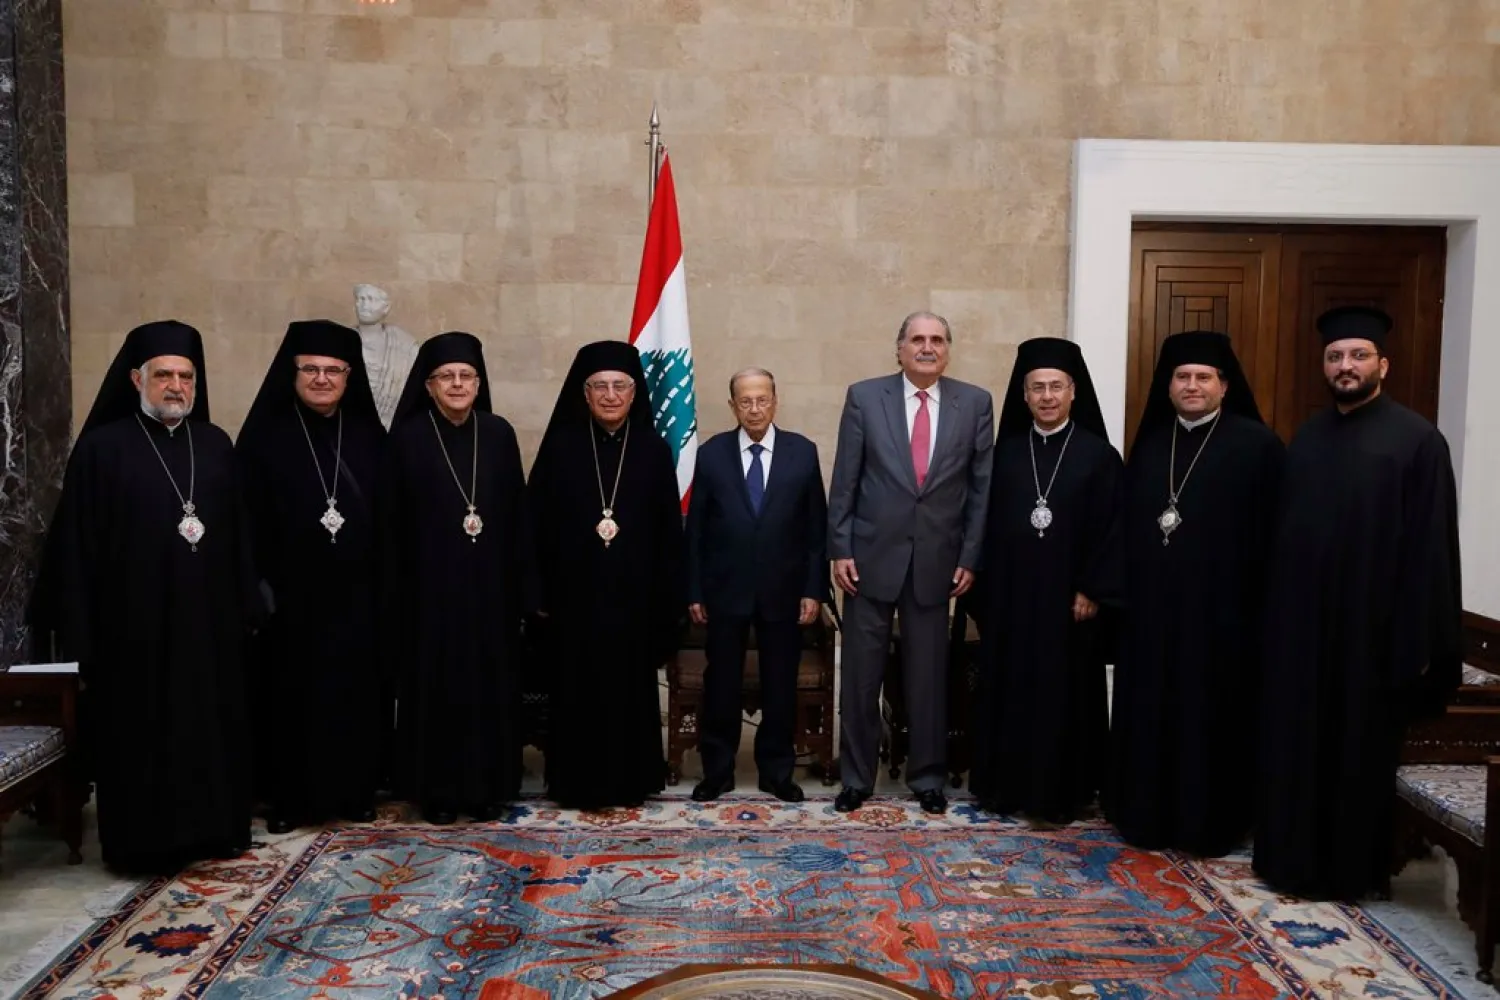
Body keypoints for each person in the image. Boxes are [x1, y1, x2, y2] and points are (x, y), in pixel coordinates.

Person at [27, 320, 258, 873]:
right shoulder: (103, 451)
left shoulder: (216, 444)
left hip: (208, 625)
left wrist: (248, 601)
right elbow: (77, 552)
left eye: (185, 376)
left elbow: (239, 535)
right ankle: (142, 847)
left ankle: (216, 830)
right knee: (141, 737)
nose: (176, 386)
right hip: (132, 631)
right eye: (163, 376)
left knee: (209, 727)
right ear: (137, 379)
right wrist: (83, 638)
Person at [1255, 305, 1462, 901]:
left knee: (1355, 759)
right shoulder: (1309, 437)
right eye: (1336, 357)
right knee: (1297, 752)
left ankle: (1348, 875)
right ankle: (1288, 863)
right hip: (1303, 636)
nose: (1346, 366)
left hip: (1374, 641)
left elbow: (1432, 549)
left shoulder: (1418, 441)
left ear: (1383, 365)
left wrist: (1418, 644)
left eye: (1358, 356)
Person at [1108, 331, 1283, 856]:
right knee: (1152, 716)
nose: (1191, 386)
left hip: (1223, 620)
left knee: (1211, 722)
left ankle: (1210, 824)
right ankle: (1145, 817)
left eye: (1203, 377)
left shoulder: (1258, 447)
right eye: (1182, 377)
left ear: (1224, 386)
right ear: (1168, 386)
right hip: (1153, 619)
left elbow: (1276, 538)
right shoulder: (1151, 447)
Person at [827, 311, 994, 815]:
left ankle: (927, 778)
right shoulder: (864, 397)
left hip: (937, 564)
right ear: (899, 348)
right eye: (917, 339)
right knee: (860, 677)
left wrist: (969, 555)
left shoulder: (976, 403)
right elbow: (845, 479)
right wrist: (840, 549)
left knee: (928, 680)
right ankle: (857, 778)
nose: (927, 347)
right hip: (868, 561)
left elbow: (981, 490)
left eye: (936, 340)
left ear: (948, 350)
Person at [237, 320, 386, 832]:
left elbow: (392, 518)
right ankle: (289, 800)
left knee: (354, 698)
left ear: (350, 375)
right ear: (292, 372)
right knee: (289, 702)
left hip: (357, 597)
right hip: (289, 599)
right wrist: (257, 590)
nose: (322, 379)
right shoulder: (262, 438)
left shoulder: (369, 436)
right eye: (310, 369)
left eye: (333, 370)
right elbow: (242, 521)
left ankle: (355, 792)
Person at [525, 340, 684, 810]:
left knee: (628, 693)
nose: (611, 395)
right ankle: (576, 784)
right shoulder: (559, 448)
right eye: (600, 387)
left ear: (635, 394)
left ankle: (630, 781)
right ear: (585, 393)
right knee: (577, 694)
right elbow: (532, 526)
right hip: (574, 602)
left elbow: (668, 532)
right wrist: (537, 593)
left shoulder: (654, 451)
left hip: (634, 603)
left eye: (620, 386)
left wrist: (668, 598)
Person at [969, 337, 1122, 824]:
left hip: (1069, 605)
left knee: (1065, 695)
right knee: (1012, 690)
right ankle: (1006, 787)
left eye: (1056, 386)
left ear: (1073, 391)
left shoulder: (1100, 456)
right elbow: (984, 523)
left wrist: (1092, 588)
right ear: (1024, 395)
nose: (1048, 396)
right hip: (1013, 601)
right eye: (1038, 388)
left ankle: (1066, 791)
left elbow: (1114, 528)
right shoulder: (1006, 454)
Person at [377, 332, 526, 824]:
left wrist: (521, 587)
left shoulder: (499, 434)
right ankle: (437, 792)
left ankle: (487, 788)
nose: (457, 384)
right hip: (430, 596)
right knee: (436, 691)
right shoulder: (408, 438)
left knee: (488, 689)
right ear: (429, 386)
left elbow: (516, 512)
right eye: (447, 377)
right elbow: (391, 522)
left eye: (466, 376)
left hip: (490, 594)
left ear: (479, 384)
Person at [685, 368, 828, 803]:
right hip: (724, 591)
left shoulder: (803, 453)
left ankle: (777, 772)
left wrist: (813, 590)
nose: (754, 408)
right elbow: (696, 534)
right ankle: (718, 770)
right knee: (722, 683)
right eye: (744, 401)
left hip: (784, 592)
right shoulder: (710, 455)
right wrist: (694, 591)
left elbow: (816, 532)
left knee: (779, 684)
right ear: (732, 406)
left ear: (775, 401)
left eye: (761, 399)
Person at [353, 283, 420, 430]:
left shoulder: (406, 346)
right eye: (360, 299)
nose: (364, 305)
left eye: (371, 299)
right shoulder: (343, 341)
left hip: (394, 428)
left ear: (386, 308)